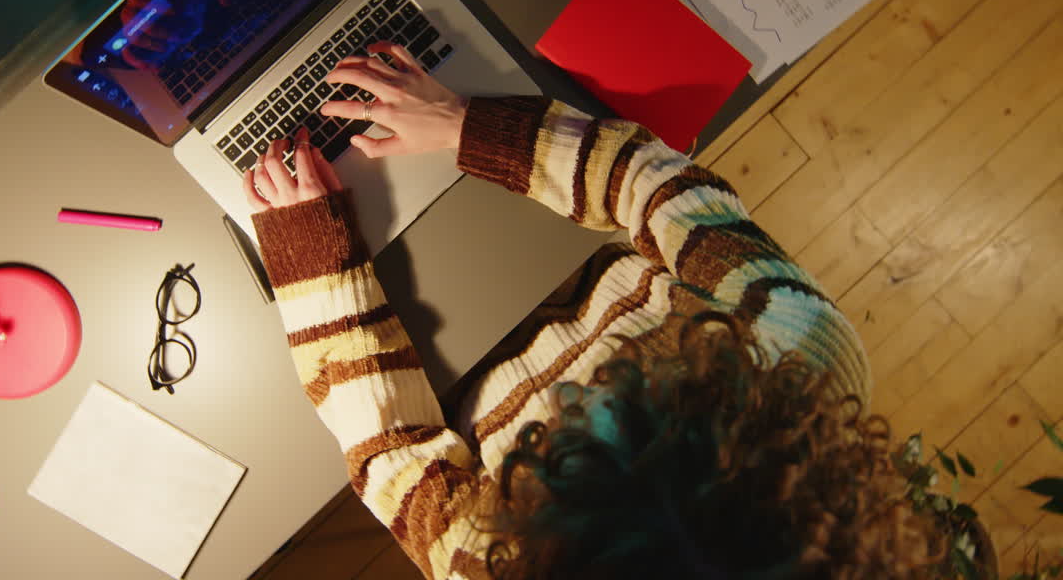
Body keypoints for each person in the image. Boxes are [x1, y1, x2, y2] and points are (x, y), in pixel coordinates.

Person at [242, 41, 943, 579]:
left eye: (571, 462)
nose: (583, 397)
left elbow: (393, 455)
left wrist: (317, 264)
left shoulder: (498, 569)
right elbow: (662, 188)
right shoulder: (804, 362)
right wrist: (465, 124)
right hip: (554, 235)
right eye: (654, 409)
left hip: (438, 353)